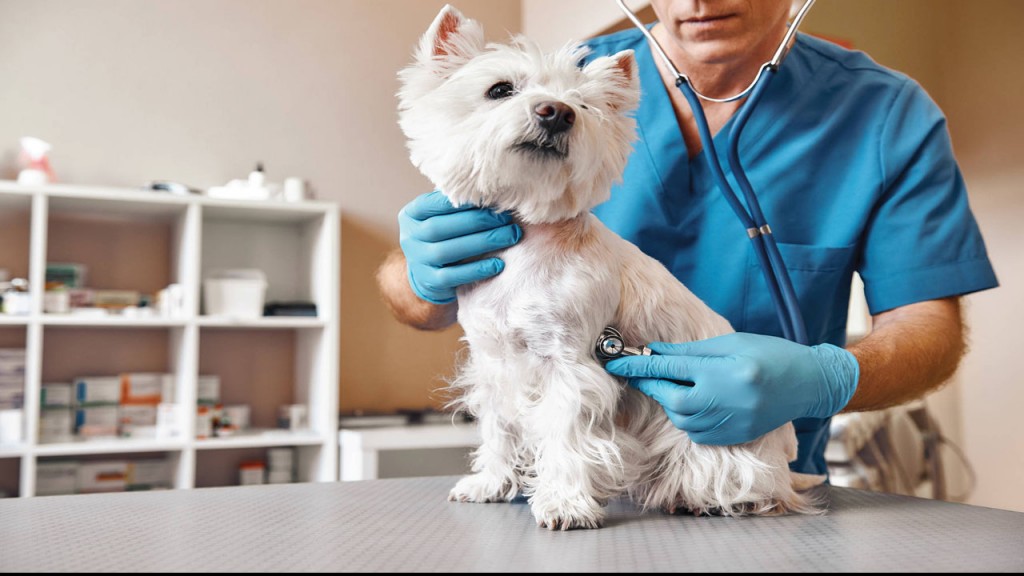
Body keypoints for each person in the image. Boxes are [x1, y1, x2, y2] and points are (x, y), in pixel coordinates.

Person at [376, 0, 998, 477]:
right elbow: (419, 304)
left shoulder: (887, 114)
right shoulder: (570, 86)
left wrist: (823, 377)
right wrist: (417, 272)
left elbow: (931, 332)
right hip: (557, 486)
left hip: (737, 476)